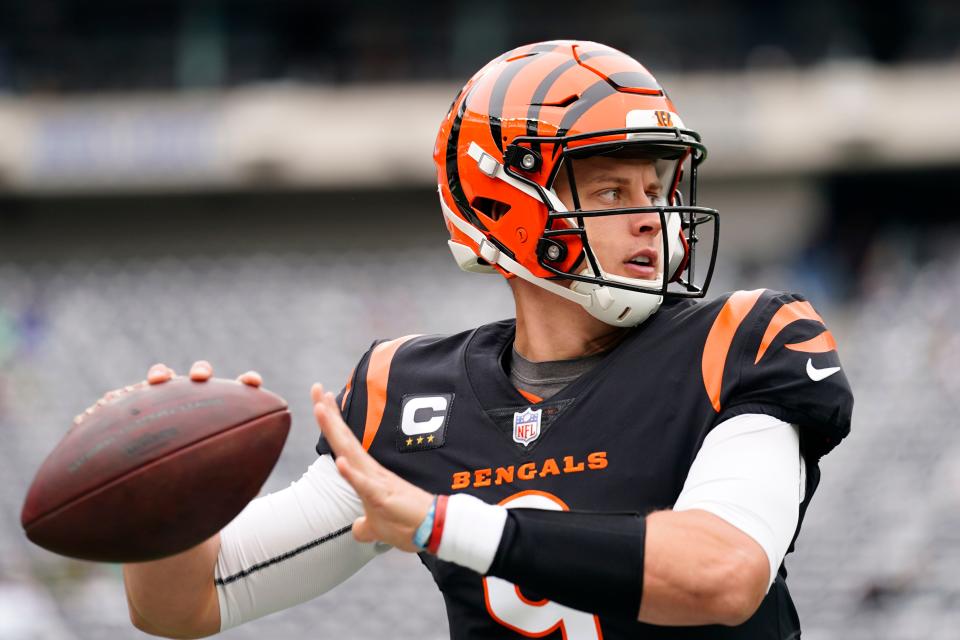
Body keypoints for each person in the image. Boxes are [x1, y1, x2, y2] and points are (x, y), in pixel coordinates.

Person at [110, 40, 852, 639]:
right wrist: (164, 500)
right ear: (506, 203)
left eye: (657, 191)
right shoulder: (408, 391)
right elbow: (189, 604)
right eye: (610, 192)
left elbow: (723, 575)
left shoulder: (741, 342)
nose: (650, 219)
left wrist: (443, 519)